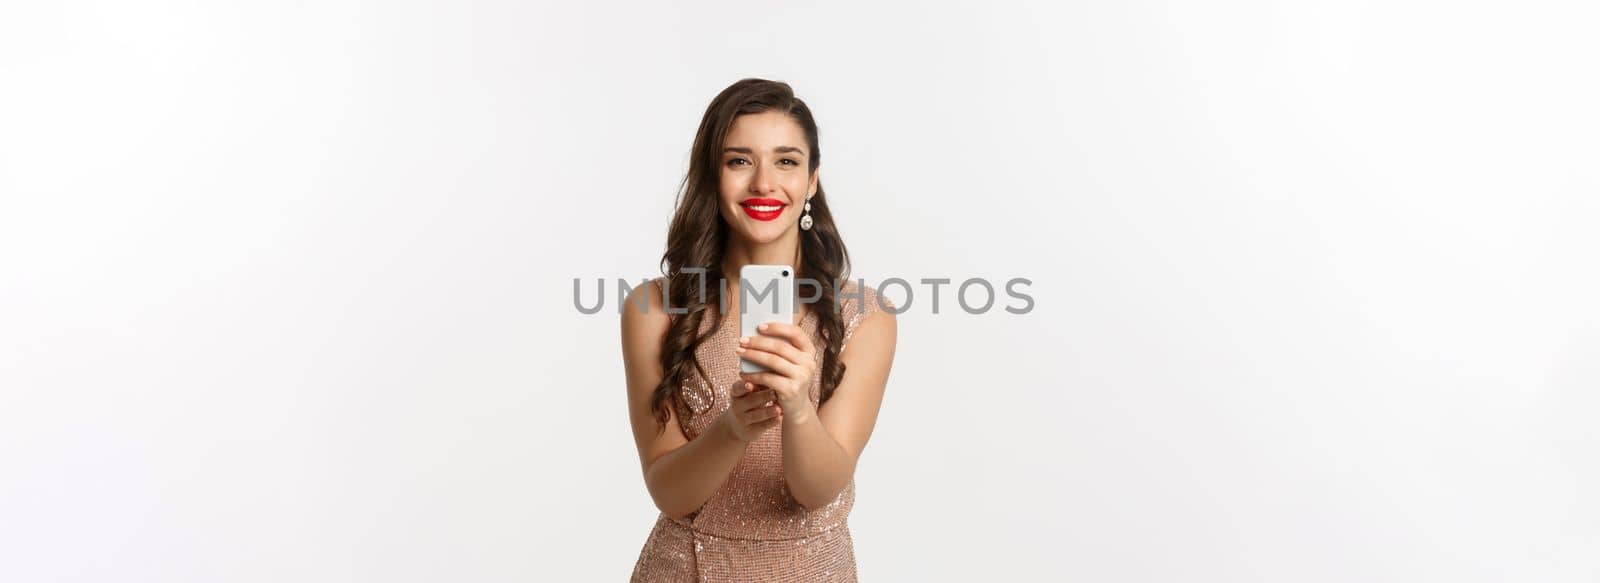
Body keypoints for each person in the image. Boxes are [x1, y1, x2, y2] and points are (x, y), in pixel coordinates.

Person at [621, 78, 898, 582]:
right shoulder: (653, 309)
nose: (764, 184)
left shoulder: (865, 315)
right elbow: (668, 492)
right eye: (739, 161)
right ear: (714, 176)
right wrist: (732, 429)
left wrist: (797, 410)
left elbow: (818, 490)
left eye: (787, 161)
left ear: (812, 180)